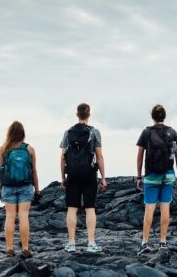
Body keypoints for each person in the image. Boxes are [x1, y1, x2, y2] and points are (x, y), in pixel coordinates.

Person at [136, 105, 177, 255]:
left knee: (149, 208)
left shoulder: (146, 132)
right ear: (164, 116)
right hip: (168, 174)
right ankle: (163, 242)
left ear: (153, 117)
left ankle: (145, 243)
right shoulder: (173, 132)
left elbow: (139, 156)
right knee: (165, 208)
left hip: (151, 175)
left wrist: (139, 176)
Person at [60, 103, 107, 253]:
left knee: (72, 209)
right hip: (89, 175)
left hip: (73, 175)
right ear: (89, 114)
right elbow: (99, 156)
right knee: (90, 209)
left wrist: (63, 176)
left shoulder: (68, 133)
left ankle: (71, 244)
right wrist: (103, 177)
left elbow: (62, 157)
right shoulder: (94, 132)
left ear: (77, 114)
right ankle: (91, 243)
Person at [0, 121, 40, 258]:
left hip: (8, 187)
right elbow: (34, 171)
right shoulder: (29, 149)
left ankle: (9, 249)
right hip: (26, 186)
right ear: (23, 134)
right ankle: (25, 248)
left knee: (10, 217)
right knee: (23, 216)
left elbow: (1, 171)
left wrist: (0, 188)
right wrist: (37, 189)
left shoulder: (4, 149)